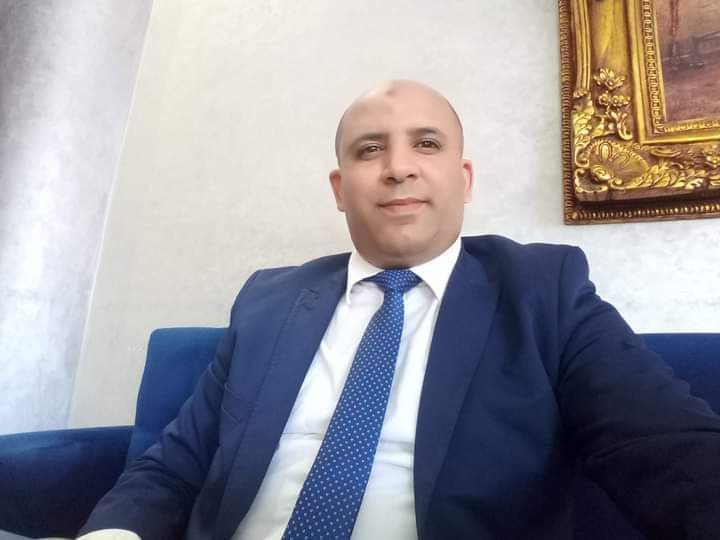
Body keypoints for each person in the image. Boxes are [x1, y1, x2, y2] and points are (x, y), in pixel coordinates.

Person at [78, 80, 720, 539]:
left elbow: (667, 448)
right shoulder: (270, 302)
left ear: (464, 180)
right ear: (340, 189)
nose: (398, 168)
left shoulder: (542, 291)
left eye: (427, 144)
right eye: (369, 150)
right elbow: (172, 467)